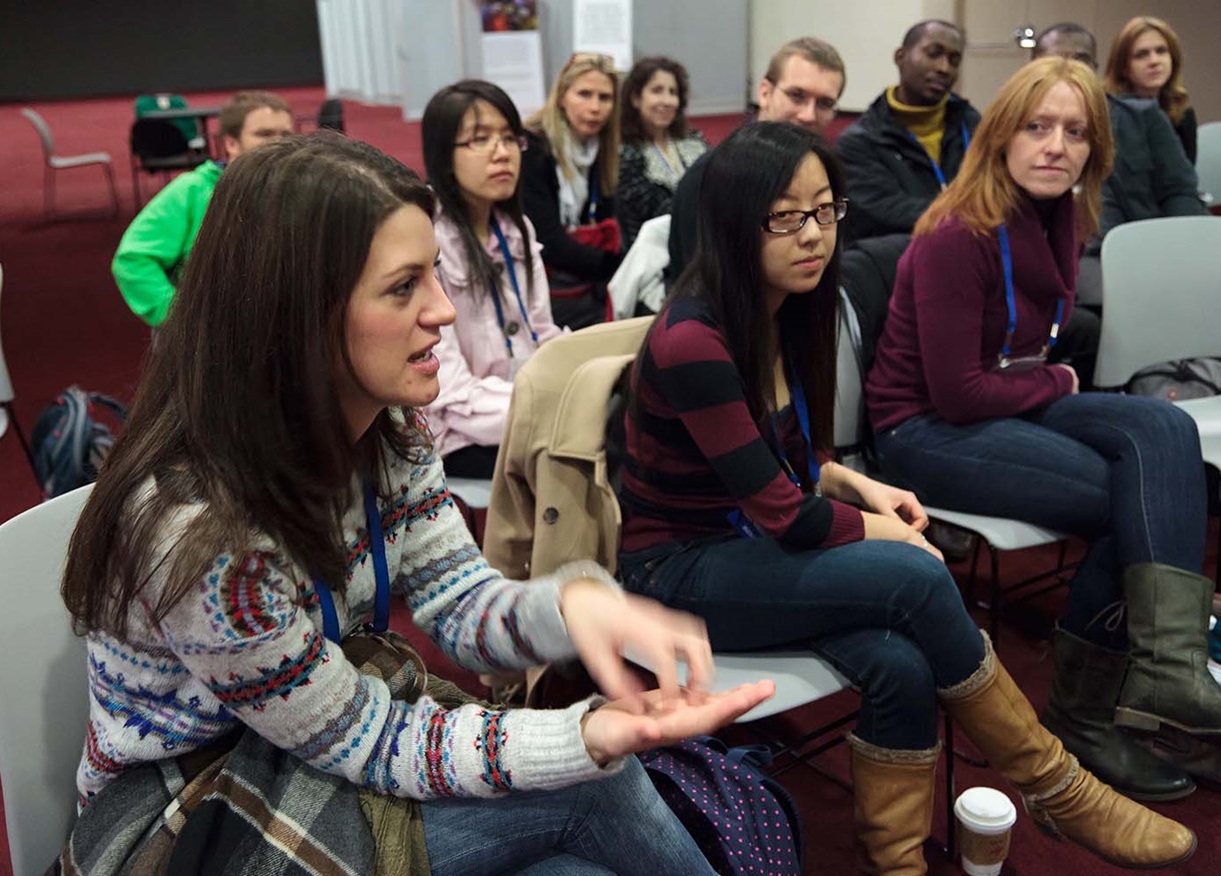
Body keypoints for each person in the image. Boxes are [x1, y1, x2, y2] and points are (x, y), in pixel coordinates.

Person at [60, 132, 778, 875]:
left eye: (434, 274)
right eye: (403, 288)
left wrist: (572, 609)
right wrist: (587, 736)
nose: (441, 311)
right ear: (295, 314)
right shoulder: (198, 534)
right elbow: (368, 740)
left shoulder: (390, 429)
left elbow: (458, 605)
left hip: (303, 748)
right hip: (194, 816)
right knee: (598, 785)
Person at [619, 120, 1194, 874]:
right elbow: (784, 512)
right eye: (787, 216)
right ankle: (1057, 785)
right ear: (735, 222)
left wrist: (862, 484)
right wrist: (887, 535)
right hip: (677, 570)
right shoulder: (694, 336)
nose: (814, 235)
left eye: (826, 211)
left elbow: (794, 463)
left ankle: (898, 862)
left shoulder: (785, 308)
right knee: (917, 574)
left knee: (901, 664)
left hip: (746, 546)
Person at [866, 56, 1221, 809]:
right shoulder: (959, 231)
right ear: (1003, 137)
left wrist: (1049, 378)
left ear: (1095, 148)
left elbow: (1022, 355)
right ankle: (1085, 719)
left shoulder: (1063, 214)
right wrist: (1061, 380)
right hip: (924, 428)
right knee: (1130, 495)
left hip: (1007, 396)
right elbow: (957, 392)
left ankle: (1170, 673)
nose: (1056, 146)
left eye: (1075, 132)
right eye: (1038, 127)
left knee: (1165, 426)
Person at [420, 80, 562, 479]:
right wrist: (546, 407)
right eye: (479, 140)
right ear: (444, 156)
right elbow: (447, 392)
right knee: (570, 456)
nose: (502, 153)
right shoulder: (425, 239)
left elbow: (541, 334)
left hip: (517, 403)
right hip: (455, 431)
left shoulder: (517, 229)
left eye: (509, 138)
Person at [1032, 23, 1203, 305]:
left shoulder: (1143, 117)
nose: (1068, 70)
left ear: (1096, 67)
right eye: (1055, 60)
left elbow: (1181, 191)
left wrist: (1179, 257)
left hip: (1131, 250)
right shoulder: (1018, 125)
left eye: (1081, 60)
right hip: (1050, 252)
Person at [666, 37, 846, 281]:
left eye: (824, 103)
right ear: (765, 93)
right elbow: (704, 285)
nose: (808, 115)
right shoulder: (710, 175)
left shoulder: (824, 173)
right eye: (796, 95)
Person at [111, 90, 294, 327]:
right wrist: (181, 317)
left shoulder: (297, 191)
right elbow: (132, 259)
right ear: (231, 142)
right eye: (264, 135)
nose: (279, 144)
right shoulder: (192, 191)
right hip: (208, 338)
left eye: (286, 135)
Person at [837, 20, 981, 242]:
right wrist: (972, 212)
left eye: (954, 61)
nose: (944, 68)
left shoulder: (973, 125)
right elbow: (888, 212)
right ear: (900, 57)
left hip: (971, 248)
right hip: (897, 257)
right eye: (933, 54)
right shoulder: (860, 141)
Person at [522, 53, 623, 328]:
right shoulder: (532, 148)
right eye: (584, 94)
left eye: (604, 98)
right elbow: (548, 240)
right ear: (562, 97)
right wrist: (615, 267)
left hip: (583, 271)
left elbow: (605, 217)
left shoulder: (600, 148)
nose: (595, 107)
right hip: (544, 276)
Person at [615, 56, 708, 249]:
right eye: (657, 91)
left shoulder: (694, 142)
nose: (667, 101)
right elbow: (651, 214)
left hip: (704, 243)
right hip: (656, 254)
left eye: (673, 92)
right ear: (635, 98)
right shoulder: (626, 153)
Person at [1106, 16, 1197, 164]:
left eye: (1161, 51)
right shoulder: (1108, 114)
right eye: (1142, 55)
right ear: (1123, 67)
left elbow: (1185, 182)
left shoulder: (1183, 115)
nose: (1154, 61)